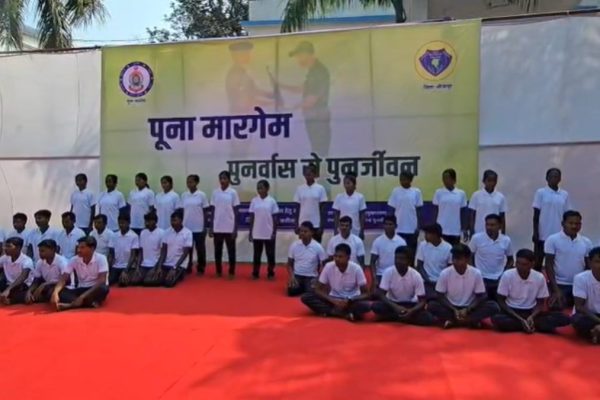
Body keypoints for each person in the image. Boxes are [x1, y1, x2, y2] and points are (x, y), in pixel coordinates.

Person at [491, 249, 570, 334]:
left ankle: (526, 324)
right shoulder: (507, 275)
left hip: (531, 311)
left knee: (563, 318)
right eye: (518, 263)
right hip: (512, 311)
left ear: (532, 264)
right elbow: (501, 300)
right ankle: (529, 325)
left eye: (524, 264)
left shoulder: (539, 277)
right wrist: (520, 319)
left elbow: (540, 302)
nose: (520, 267)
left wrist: (532, 317)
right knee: (496, 318)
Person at [428, 244, 500, 329]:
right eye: (454, 258)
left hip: (470, 307)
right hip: (450, 306)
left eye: (459, 259)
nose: (455, 261)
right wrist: (453, 309)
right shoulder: (445, 273)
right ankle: (469, 321)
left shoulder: (476, 273)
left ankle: (456, 321)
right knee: (431, 305)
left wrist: (468, 309)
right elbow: (440, 295)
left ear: (467, 259)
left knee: (493, 306)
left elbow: (482, 296)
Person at [280, 41, 331, 157]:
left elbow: (311, 100)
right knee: (317, 151)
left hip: (318, 118)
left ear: (307, 54)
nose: (298, 60)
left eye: (299, 56)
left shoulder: (319, 72)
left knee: (320, 151)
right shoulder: (313, 71)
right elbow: (303, 88)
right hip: (314, 118)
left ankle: (321, 168)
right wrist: (281, 86)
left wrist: (289, 108)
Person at [300, 244, 370, 321]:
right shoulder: (328, 266)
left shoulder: (356, 268)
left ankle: (331, 311)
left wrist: (350, 300)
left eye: (340, 257)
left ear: (348, 258)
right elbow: (318, 289)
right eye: (335, 256)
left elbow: (366, 293)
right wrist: (333, 300)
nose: (337, 259)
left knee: (365, 306)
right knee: (306, 297)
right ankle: (341, 313)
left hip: (351, 300)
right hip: (333, 299)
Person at [372, 246, 434, 326]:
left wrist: (411, 311)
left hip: (410, 304)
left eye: (402, 259)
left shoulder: (416, 275)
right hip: (392, 304)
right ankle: (405, 318)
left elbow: (422, 301)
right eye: (396, 258)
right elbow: (381, 294)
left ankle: (397, 317)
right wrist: (395, 307)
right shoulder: (388, 272)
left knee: (427, 318)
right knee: (376, 307)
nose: (398, 261)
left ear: (409, 261)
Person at [544, 210, 592, 310]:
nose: (574, 226)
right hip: (559, 284)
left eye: (577, 223)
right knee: (556, 306)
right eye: (571, 223)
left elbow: (589, 266)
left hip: (579, 285)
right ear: (563, 224)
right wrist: (556, 290)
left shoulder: (586, 242)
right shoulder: (552, 239)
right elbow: (548, 265)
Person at [51, 236, 109, 311]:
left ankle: (71, 305)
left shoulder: (101, 258)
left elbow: (102, 280)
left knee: (103, 288)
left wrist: (82, 297)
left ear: (92, 248)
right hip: (81, 288)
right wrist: (55, 292)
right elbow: (64, 278)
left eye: (82, 247)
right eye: (78, 247)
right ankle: (87, 303)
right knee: (58, 292)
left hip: (94, 289)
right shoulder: (74, 259)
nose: (78, 250)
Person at [533, 168, 571, 270]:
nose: (554, 178)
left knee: (556, 262)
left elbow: (567, 214)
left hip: (558, 233)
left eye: (556, 176)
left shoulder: (564, 194)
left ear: (560, 179)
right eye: (551, 176)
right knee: (538, 261)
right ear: (547, 178)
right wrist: (535, 232)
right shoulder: (541, 192)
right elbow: (536, 215)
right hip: (543, 233)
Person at [468, 214, 514, 299]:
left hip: (498, 279)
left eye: (492, 225)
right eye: (487, 224)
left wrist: (504, 275)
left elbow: (511, 260)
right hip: (481, 278)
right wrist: (475, 273)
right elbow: (469, 256)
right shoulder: (476, 238)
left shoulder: (506, 240)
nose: (489, 227)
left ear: (500, 226)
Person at [144, 211, 192, 288]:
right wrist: (159, 267)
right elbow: (163, 251)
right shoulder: (166, 232)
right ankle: (164, 276)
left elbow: (185, 254)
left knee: (168, 283)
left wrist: (175, 268)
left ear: (181, 220)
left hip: (179, 265)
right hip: (166, 264)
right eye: (171, 221)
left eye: (175, 220)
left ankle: (176, 274)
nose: (172, 223)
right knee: (147, 281)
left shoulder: (188, 233)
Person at [209, 171, 240, 279]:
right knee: (217, 251)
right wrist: (211, 227)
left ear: (229, 180)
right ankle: (218, 271)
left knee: (231, 251)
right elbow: (212, 211)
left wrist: (235, 229)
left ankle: (231, 272)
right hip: (217, 227)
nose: (222, 181)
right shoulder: (215, 193)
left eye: (225, 178)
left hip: (229, 227)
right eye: (221, 178)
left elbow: (236, 212)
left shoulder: (233, 193)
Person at [387, 171, 423, 257]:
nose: (402, 181)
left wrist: (418, 227)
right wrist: (391, 225)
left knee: (411, 253)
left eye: (404, 179)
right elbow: (391, 209)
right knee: (398, 253)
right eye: (401, 179)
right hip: (398, 228)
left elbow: (419, 211)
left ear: (410, 180)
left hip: (412, 229)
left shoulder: (416, 192)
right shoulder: (396, 191)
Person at [249, 180, 279, 280]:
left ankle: (271, 273)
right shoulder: (254, 201)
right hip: (257, 232)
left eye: (261, 188)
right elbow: (252, 217)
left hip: (269, 232)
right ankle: (255, 273)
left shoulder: (272, 201)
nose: (259, 190)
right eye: (258, 188)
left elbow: (275, 218)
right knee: (257, 255)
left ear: (267, 188)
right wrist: (250, 232)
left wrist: (274, 232)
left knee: (270, 254)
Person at [287, 221, 327, 296]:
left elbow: (324, 265)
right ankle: (302, 287)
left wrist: (318, 278)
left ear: (312, 232)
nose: (302, 233)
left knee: (312, 292)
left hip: (311, 276)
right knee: (291, 291)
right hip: (297, 275)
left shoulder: (318, 247)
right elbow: (289, 264)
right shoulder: (294, 245)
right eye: (301, 231)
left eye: (305, 231)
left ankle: (304, 288)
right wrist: (292, 277)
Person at [181, 174, 210, 275]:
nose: (189, 184)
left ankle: (201, 267)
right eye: (187, 182)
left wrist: (205, 226)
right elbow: (183, 211)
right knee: (187, 249)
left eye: (191, 182)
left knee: (200, 249)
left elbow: (206, 212)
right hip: (186, 227)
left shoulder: (202, 195)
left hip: (199, 227)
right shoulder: (184, 195)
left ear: (196, 182)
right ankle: (187, 266)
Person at [25, 239, 68, 304]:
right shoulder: (40, 262)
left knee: (50, 292)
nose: (40, 254)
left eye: (42, 251)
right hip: (48, 286)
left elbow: (66, 280)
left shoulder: (62, 261)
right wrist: (29, 291)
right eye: (39, 251)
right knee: (29, 293)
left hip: (63, 286)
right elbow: (36, 280)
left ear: (52, 250)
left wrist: (45, 284)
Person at [432, 169, 468, 245]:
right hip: (441, 229)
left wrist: (464, 228)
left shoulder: (461, 193)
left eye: (447, 178)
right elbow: (435, 211)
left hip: (455, 229)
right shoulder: (438, 192)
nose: (445, 180)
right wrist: (434, 227)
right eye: (444, 178)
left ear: (454, 180)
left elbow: (463, 213)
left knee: (454, 250)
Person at [415, 223, 452, 299]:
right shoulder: (422, 245)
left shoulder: (448, 248)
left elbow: (450, 269)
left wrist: (440, 282)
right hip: (426, 281)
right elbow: (420, 266)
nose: (425, 236)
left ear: (435, 235)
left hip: (442, 282)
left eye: (427, 233)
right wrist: (428, 280)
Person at [572, 247, 600, 344]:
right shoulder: (581, 278)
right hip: (588, 315)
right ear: (590, 263)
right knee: (577, 320)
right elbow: (579, 307)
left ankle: (596, 331)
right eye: (598, 262)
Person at [293, 164, 327, 243]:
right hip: (303, 224)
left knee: (316, 247)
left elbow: (322, 209)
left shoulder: (320, 188)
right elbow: (297, 208)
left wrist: (321, 226)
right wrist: (296, 224)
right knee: (303, 247)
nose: (307, 176)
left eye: (310, 174)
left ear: (314, 175)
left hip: (316, 224)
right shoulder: (300, 188)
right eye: (306, 174)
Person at [369, 215, 407, 287]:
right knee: (375, 292)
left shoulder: (402, 242)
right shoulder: (377, 241)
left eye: (390, 224)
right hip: (381, 274)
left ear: (395, 226)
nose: (388, 226)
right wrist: (374, 277)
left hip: (397, 274)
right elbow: (372, 262)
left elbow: (405, 261)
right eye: (386, 224)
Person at [129, 212, 164, 286]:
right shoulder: (143, 233)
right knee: (133, 281)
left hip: (155, 264)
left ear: (155, 221)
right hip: (144, 265)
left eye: (149, 221)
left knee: (147, 282)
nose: (147, 223)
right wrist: (137, 267)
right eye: (146, 221)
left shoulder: (161, 233)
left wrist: (157, 267)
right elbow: (141, 252)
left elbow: (163, 253)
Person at [469, 170, 507, 234]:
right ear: (483, 181)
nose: (492, 183)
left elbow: (502, 217)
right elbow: (471, 216)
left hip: (495, 233)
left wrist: (503, 233)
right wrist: (472, 231)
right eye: (489, 180)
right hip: (479, 231)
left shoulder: (500, 197)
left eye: (494, 181)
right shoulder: (476, 195)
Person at [107, 214, 140, 286]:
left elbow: (133, 256)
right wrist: (108, 269)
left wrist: (126, 270)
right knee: (107, 282)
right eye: (119, 223)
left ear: (128, 223)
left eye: (123, 223)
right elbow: (111, 255)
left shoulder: (134, 236)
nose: (121, 225)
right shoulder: (114, 235)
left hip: (128, 267)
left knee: (123, 282)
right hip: (116, 266)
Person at [0, 237, 34, 305]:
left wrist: (8, 289)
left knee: (24, 295)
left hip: (22, 286)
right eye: (5, 246)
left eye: (9, 246)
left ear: (18, 248)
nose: (5, 248)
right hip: (8, 284)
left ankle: (10, 300)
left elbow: (23, 277)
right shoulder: (4, 258)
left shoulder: (27, 260)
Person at [332, 174, 366, 238]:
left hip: (356, 229)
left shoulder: (360, 197)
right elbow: (336, 214)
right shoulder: (339, 197)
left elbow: (362, 215)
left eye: (348, 183)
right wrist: (335, 229)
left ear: (354, 184)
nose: (346, 185)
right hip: (342, 229)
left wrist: (362, 230)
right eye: (345, 183)